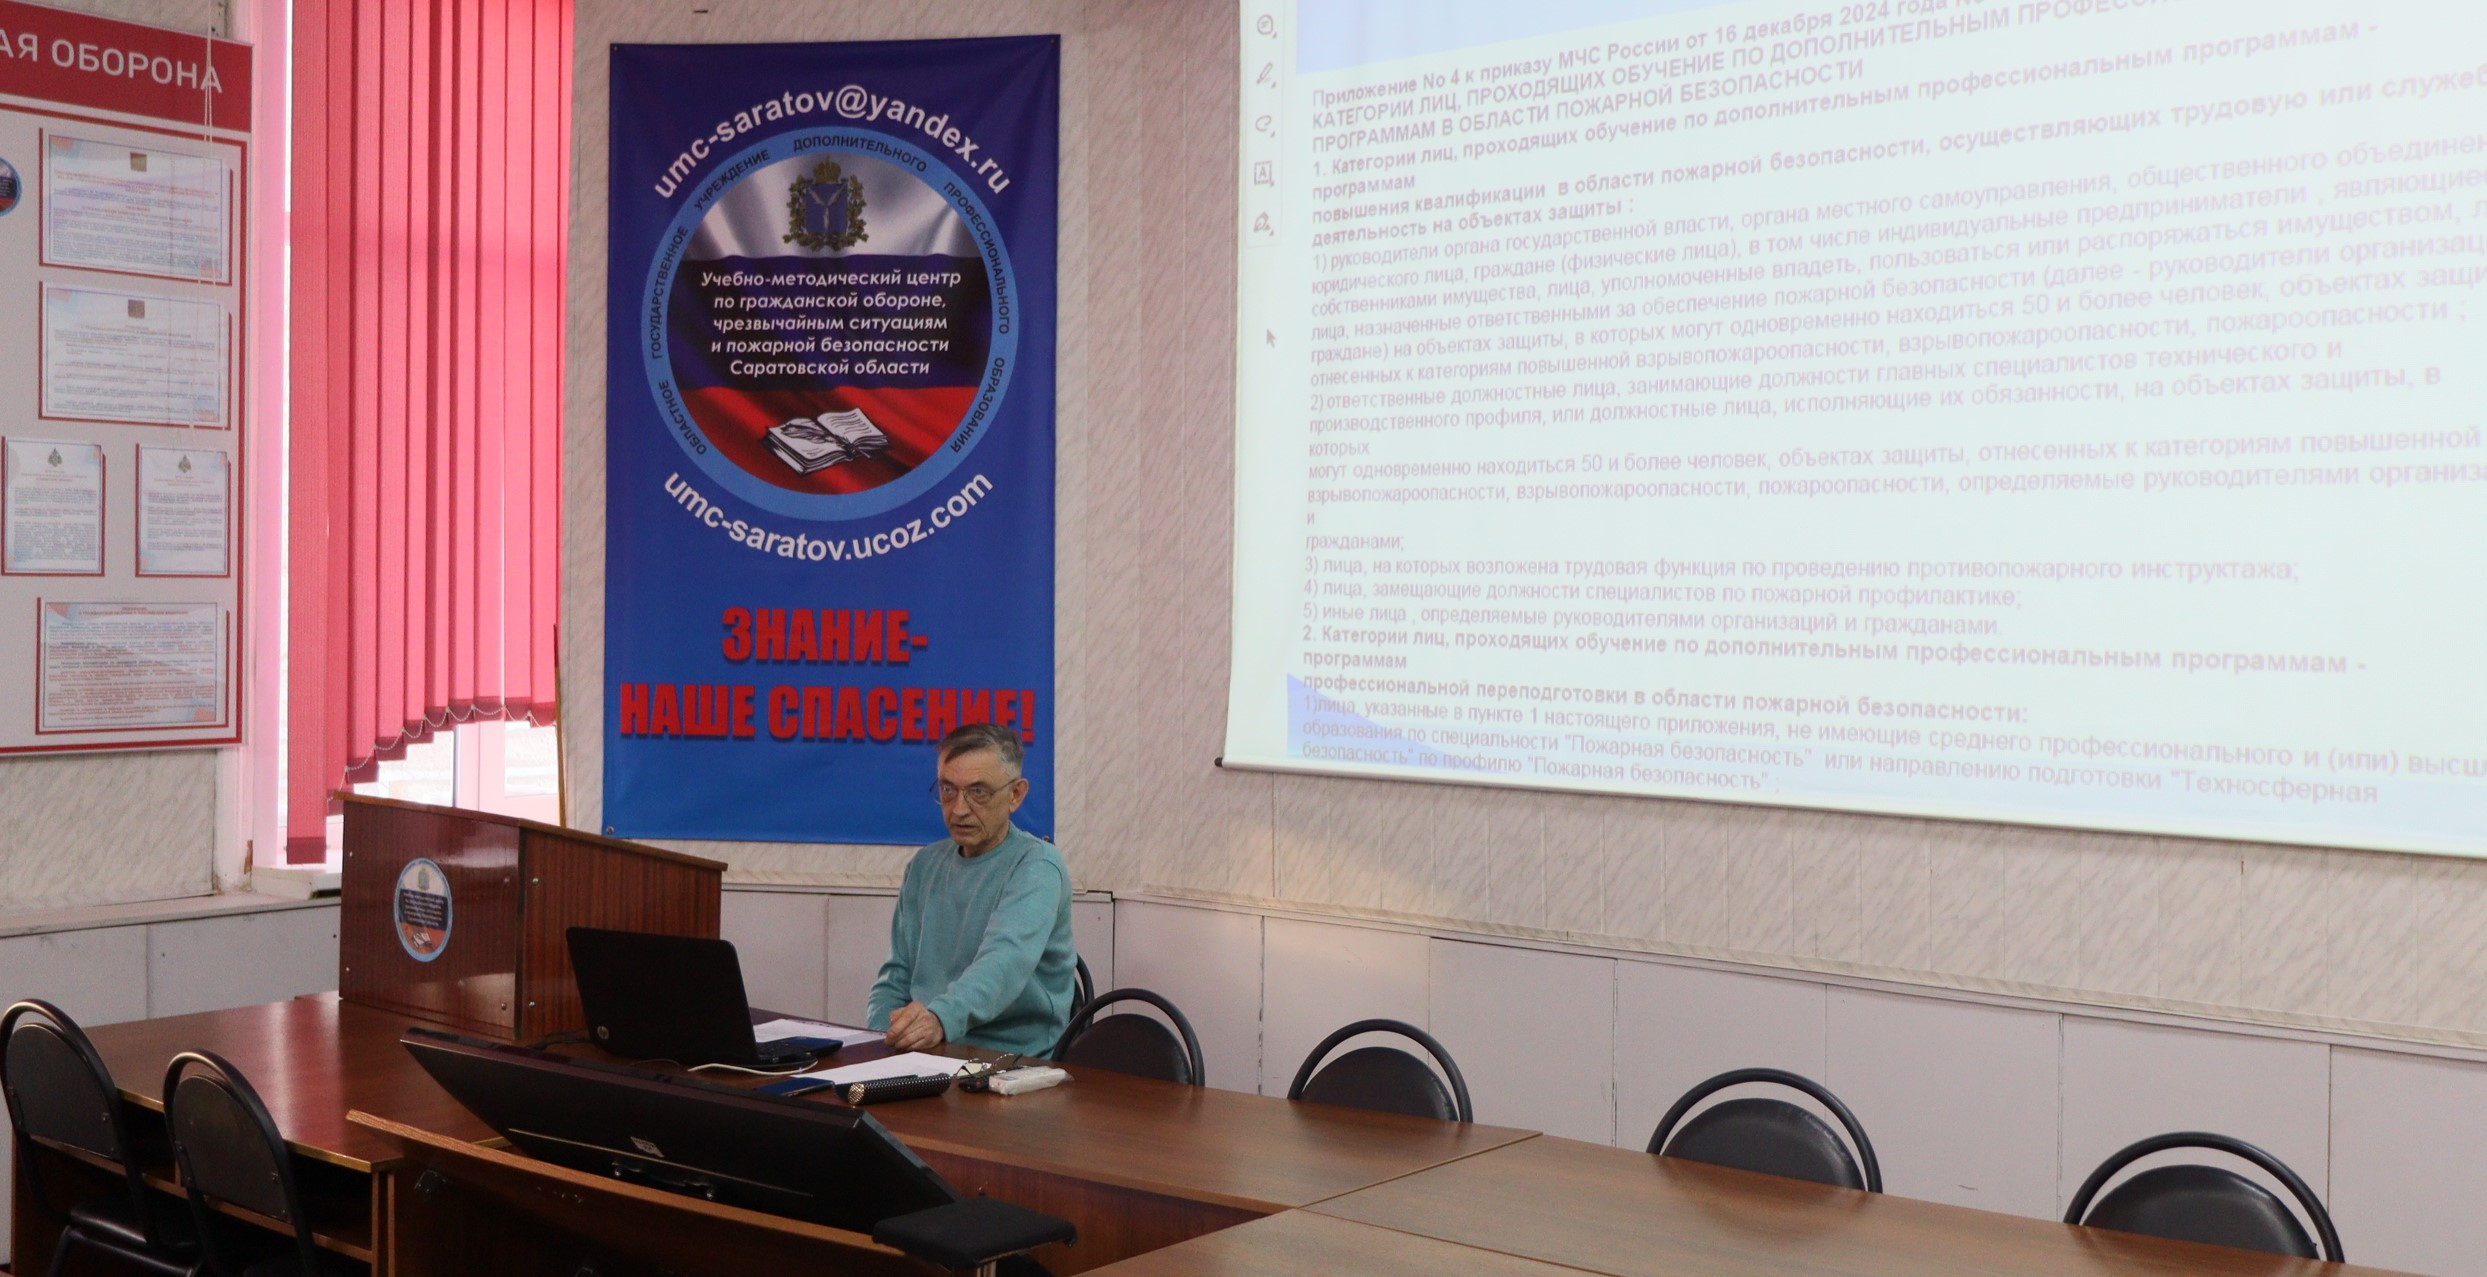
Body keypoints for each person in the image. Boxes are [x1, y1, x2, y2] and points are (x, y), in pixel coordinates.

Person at [866, 722, 1076, 1055]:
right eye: (948, 790)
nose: (959, 809)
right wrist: (881, 1039)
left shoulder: (1037, 866)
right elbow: (895, 979)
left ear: (1016, 794)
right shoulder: (923, 866)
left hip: (1012, 1062)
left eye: (978, 792)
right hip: (929, 1051)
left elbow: (1003, 963)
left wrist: (939, 1019)